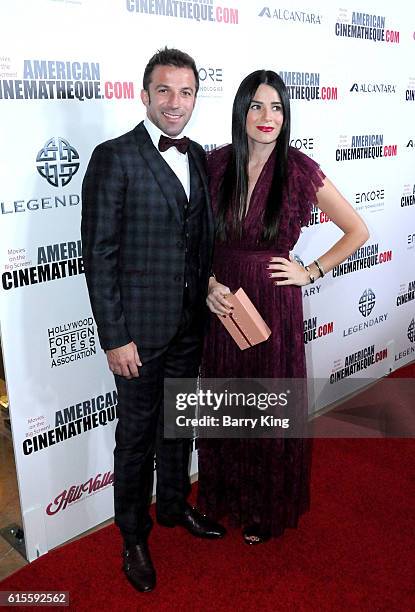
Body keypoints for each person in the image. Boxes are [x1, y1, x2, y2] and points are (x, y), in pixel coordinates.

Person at [197, 70, 369, 544]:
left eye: (276, 107)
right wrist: (208, 282)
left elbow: (357, 230)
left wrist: (309, 271)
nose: (266, 116)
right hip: (225, 303)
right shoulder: (214, 165)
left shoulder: (300, 169)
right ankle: (227, 497)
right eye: (256, 106)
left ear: (286, 114)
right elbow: (195, 239)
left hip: (274, 303)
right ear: (241, 112)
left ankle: (264, 507)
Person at [81, 47, 225, 593]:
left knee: (178, 425)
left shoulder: (199, 158)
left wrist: (207, 289)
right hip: (137, 335)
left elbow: (197, 242)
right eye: (164, 90)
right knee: (136, 437)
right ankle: (133, 535)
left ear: (194, 98)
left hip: (190, 326)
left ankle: (171, 510)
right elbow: (99, 255)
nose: (175, 102)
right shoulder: (113, 157)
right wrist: (114, 337)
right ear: (144, 95)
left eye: (186, 92)